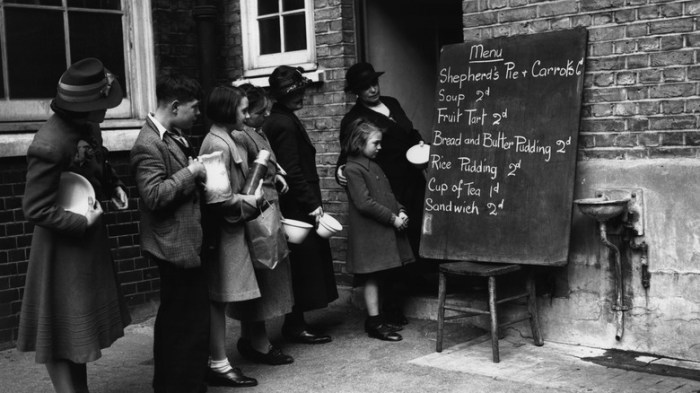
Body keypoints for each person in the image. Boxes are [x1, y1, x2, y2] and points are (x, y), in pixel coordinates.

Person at [17, 57, 131, 393]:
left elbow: (99, 160)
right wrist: (80, 221)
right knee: (57, 331)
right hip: (60, 245)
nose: (108, 110)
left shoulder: (89, 126)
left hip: (85, 240)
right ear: (86, 106)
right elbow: (35, 208)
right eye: (104, 105)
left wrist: (113, 186)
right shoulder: (48, 144)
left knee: (78, 331)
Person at [130, 72, 210, 393]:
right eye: (194, 107)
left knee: (189, 321)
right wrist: (191, 172)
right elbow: (154, 196)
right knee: (180, 324)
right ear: (175, 106)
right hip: (171, 245)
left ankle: (185, 383)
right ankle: (175, 386)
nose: (198, 113)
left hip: (186, 241)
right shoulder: (148, 144)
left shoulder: (173, 134)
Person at [335, 62, 427, 325]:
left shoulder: (392, 102)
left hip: (413, 178)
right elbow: (348, 156)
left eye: (374, 82)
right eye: (365, 87)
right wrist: (341, 172)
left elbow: (409, 132)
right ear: (356, 91)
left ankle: (418, 284)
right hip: (387, 185)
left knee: (418, 232)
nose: (373, 89)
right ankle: (391, 306)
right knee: (392, 247)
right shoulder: (354, 119)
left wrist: (421, 144)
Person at [263, 66, 338, 344]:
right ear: (281, 96)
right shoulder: (283, 123)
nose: (301, 96)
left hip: (294, 202)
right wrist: (311, 204)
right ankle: (295, 324)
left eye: (300, 90)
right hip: (296, 206)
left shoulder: (282, 119)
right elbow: (292, 170)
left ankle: (296, 322)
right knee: (302, 265)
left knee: (301, 264)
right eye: (294, 93)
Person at [228, 83, 296, 365]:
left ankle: (254, 339)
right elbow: (248, 178)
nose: (266, 114)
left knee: (266, 279)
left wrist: (276, 171)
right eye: (259, 111)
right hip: (259, 213)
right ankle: (259, 343)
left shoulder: (256, 131)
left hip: (267, 209)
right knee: (261, 280)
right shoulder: (240, 136)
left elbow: (265, 160)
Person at [343, 118, 415, 341]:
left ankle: (378, 317)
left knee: (381, 275)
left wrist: (400, 209)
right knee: (372, 277)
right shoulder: (353, 169)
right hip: (371, 233)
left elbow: (387, 195)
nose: (380, 147)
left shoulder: (373, 164)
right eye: (375, 143)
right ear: (359, 142)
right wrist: (393, 219)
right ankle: (375, 322)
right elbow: (364, 203)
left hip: (381, 230)